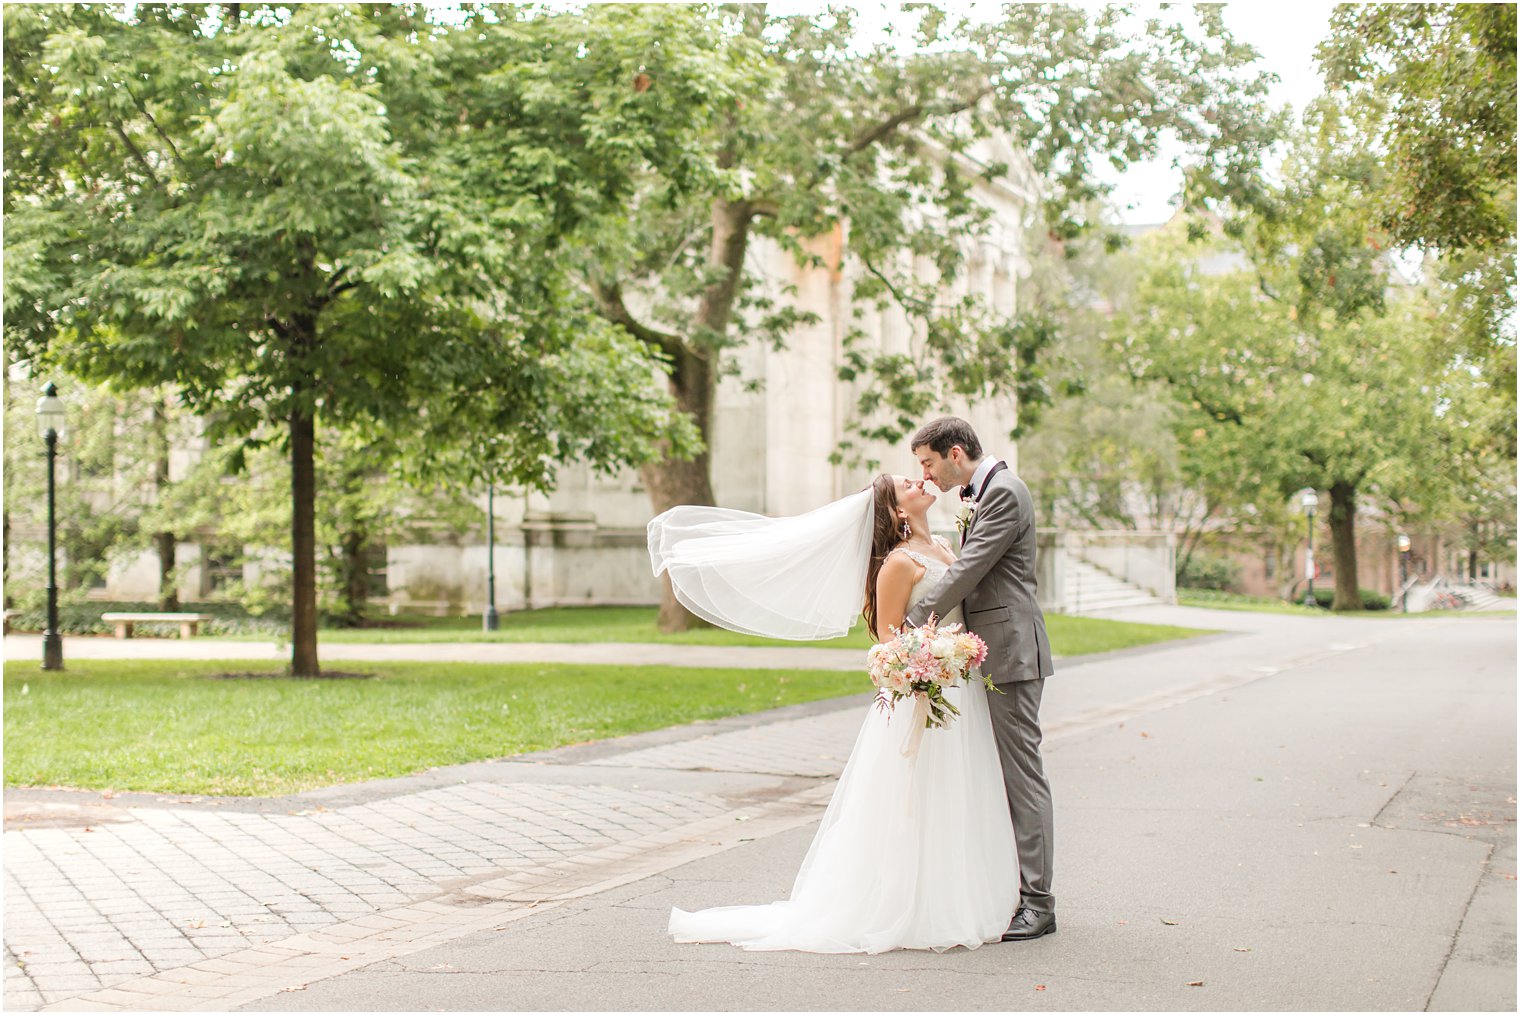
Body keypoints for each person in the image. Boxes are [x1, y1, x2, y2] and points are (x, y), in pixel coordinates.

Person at [650, 473, 1019, 953]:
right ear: (898, 512)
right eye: (908, 481)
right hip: (926, 691)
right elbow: (888, 637)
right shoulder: (897, 563)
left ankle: (966, 893)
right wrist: (934, 658)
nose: (920, 478)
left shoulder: (948, 547)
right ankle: (912, 904)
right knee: (919, 798)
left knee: (960, 789)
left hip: (962, 688)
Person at [905, 416, 1057, 941]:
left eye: (928, 463)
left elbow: (970, 567)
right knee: (997, 777)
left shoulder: (1005, 493)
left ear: (953, 452)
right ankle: (1010, 891)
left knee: (1021, 776)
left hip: (1012, 652)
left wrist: (913, 619)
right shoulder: (986, 490)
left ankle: (1039, 903)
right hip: (991, 650)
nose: (926, 475)